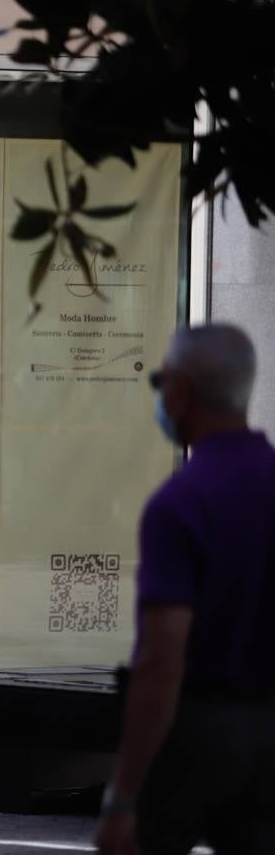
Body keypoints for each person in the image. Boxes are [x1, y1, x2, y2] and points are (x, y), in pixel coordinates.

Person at [95, 324, 275, 855]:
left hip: (194, 730)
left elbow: (161, 657)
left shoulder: (181, 504)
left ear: (180, 390)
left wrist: (123, 795)